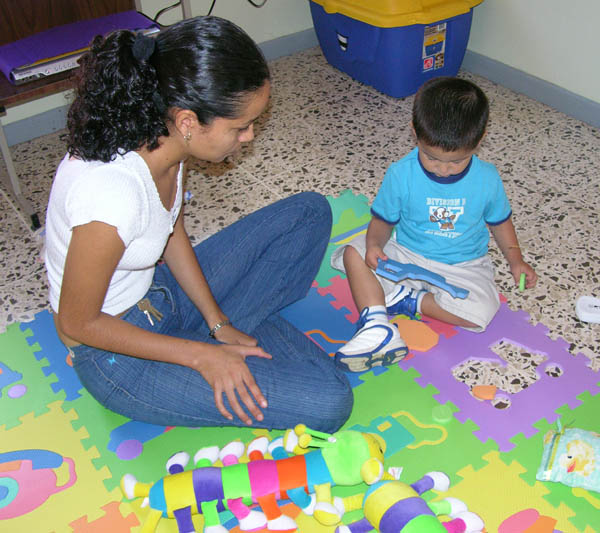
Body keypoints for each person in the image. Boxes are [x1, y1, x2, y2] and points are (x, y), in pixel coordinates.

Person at [44, 16, 353, 431]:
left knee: (310, 212)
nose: (248, 138)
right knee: (330, 401)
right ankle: (210, 347)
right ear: (189, 121)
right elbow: (76, 323)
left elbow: (171, 232)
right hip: (115, 352)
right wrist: (200, 356)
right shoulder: (110, 195)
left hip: (159, 293)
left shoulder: (162, 139)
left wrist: (218, 322)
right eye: (240, 127)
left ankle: (223, 334)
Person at [331, 76, 538, 372]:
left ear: (480, 141)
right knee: (354, 252)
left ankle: (406, 299)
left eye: (455, 161)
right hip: (406, 253)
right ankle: (376, 324)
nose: (442, 169)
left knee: (482, 313)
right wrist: (375, 244)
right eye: (431, 157)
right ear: (414, 132)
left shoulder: (488, 179)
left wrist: (516, 260)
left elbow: (501, 222)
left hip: (463, 265)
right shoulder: (400, 174)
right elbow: (382, 220)